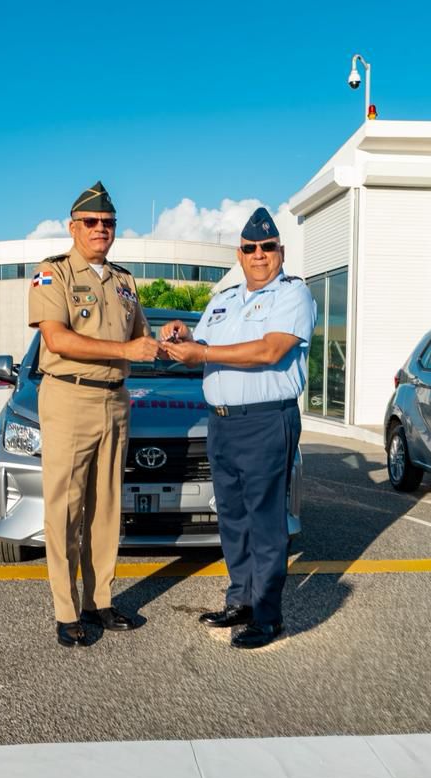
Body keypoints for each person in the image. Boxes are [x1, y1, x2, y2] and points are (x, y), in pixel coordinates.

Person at [161, 207, 315, 649]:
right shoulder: (223, 298)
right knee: (232, 518)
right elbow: (203, 344)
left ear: (281, 251)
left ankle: (267, 617)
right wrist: (182, 336)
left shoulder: (293, 295)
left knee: (265, 521)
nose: (259, 254)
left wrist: (203, 354)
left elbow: (270, 350)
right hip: (222, 422)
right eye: (250, 248)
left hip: (266, 420)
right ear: (240, 254)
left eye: (268, 247)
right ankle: (241, 600)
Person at [28, 181, 161, 647]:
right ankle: (66, 612)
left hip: (116, 400)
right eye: (91, 222)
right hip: (70, 397)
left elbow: (142, 337)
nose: (100, 229)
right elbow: (57, 339)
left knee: (106, 508)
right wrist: (125, 350)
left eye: (108, 222)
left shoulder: (124, 281)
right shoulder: (54, 273)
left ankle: (99, 601)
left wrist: (166, 337)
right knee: (65, 509)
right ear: (73, 227)